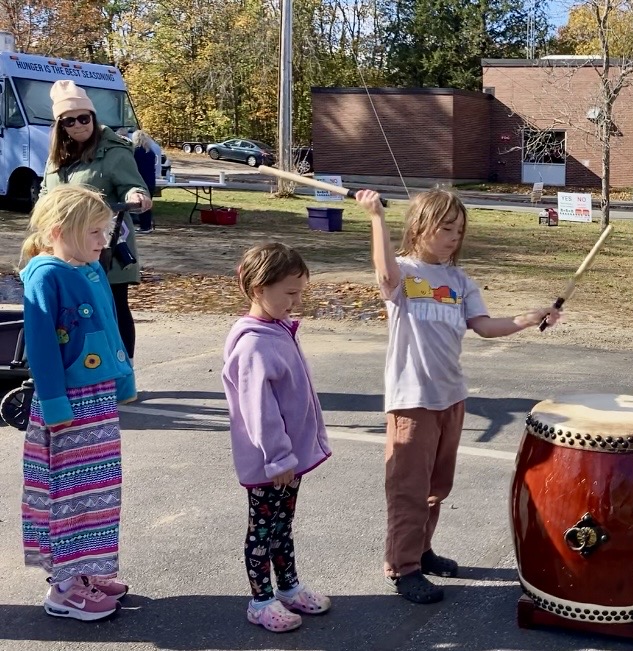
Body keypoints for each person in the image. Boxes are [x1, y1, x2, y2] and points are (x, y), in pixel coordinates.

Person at [354, 187, 560, 605]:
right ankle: (403, 567)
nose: (453, 237)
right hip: (413, 400)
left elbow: (484, 326)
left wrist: (530, 317)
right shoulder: (405, 274)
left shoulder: (460, 281)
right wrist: (375, 216)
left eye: (459, 230)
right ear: (419, 227)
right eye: (446, 228)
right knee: (408, 488)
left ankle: (421, 551)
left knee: (435, 486)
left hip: (451, 397)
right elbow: (384, 275)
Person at [18, 185, 137, 621]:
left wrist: (123, 380)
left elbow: (109, 330)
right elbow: (42, 346)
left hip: (97, 399)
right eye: (94, 232)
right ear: (57, 231)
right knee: (69, 491)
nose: (103, 241)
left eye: (105, 232)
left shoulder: (89, 270)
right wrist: (53, 403)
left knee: (98, 489)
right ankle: (64, 588)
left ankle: (87, 570)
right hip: (68, 403)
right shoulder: (45, 275)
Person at [221, 242, 333, 633]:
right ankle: (261, 600)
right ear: (257, 289)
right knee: (263, 531)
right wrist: (280, 459)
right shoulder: (253, 343)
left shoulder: (277, 329)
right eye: (289, 293)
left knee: (282, 527)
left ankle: (289, 588)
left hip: (285, 461)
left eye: (299, 292)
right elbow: (260, 411)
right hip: (271, 463)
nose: (296, 301)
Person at [42, 80, 152, 367]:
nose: (78, 125)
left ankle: (124, 372)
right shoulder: (56, 158)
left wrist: (137, 195)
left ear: (93, 116)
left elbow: (132, 185)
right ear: (61, 126)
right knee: (73, 311)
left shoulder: (114, 150)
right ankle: (84, 370)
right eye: (69, 121)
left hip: (107, 245)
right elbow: (45, 194)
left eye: (83, 117)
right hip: (65, 248)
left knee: (114, 307)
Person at [131, 130, 157, 233]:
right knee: (147, 203)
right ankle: (147, 224)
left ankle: (145, 226)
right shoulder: (150, 152)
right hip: (151, 181)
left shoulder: (135, 152)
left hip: (141, 180)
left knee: (142, 204)